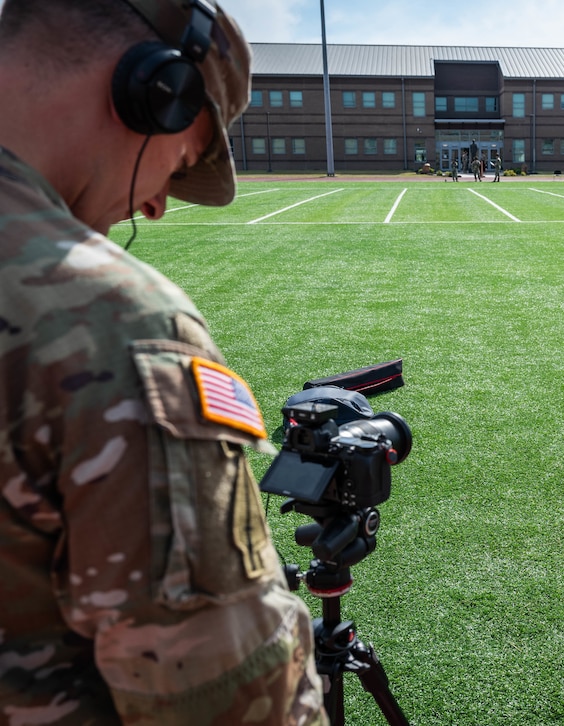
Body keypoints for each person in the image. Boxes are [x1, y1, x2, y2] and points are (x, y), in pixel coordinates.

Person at [0, 1, 327, 722]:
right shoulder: (112, 322)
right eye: (180, 161)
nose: (153, 207)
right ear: (152, 92)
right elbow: (228, 700)